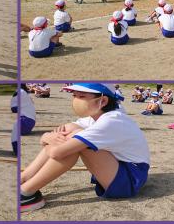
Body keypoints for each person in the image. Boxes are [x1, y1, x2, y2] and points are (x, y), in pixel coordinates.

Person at [20, 83, 149, 212]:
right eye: (74, 96)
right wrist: (47, 136)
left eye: (81, 96)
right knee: (71, 134)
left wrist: (48, 140)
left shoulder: (111, 121)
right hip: (118, 169)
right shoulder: (97, 116)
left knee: (73, 144)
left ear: (103, 101)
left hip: (130, 179)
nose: (76, 101)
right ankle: (24, 178)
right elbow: (66, 129)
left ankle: (26, 192)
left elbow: (57, 153)